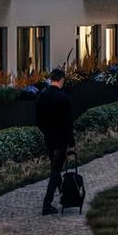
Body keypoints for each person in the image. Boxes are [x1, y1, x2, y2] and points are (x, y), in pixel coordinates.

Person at [35, 68, 74, 215]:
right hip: (61, 139)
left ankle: (63, 194)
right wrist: (72, 143)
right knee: (56, 170)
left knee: (54, 167)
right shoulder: (63, 98)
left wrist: (45, 131)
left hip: (49, 137)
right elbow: (68, 123)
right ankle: (47, 203)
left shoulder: (42, 96)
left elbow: (38, 119)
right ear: (62, 80)